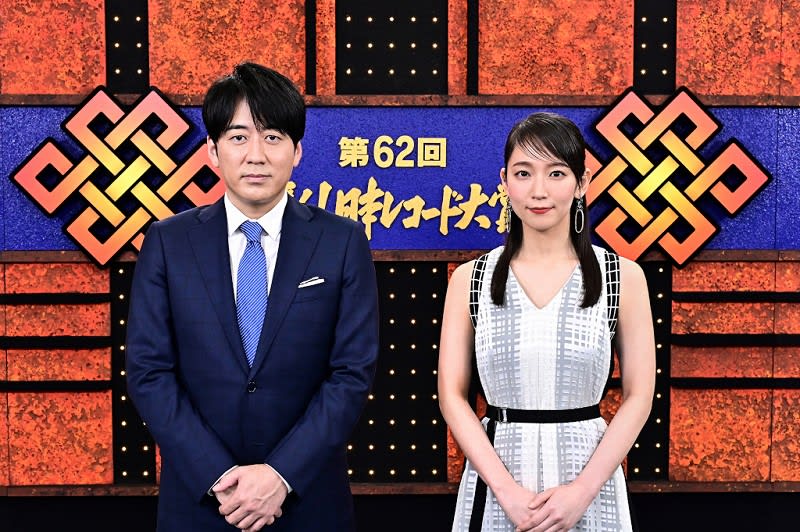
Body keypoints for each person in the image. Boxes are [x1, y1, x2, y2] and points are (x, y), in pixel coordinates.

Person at [125, 62, 379, 531]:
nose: (256, 155)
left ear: (297, 151)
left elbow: (351, 373)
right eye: (239, 137)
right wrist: (219, 477)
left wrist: (280, 475)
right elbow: (148, 371)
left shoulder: (341, 241)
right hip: (201, 503)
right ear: (212, 150)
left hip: (307, 502)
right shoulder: (168, 242)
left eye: (273, 137)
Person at [438, 112, 655, 532]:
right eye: (524, 173)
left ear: (582, 183)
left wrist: (581, 492)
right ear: (505, 182)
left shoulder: (621, 277)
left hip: (588, 483)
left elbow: (639, 396)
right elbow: (452, 396)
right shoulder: (471, 279)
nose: (539, 191)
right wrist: (507, 492)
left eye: (556, 173)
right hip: (499, 482)